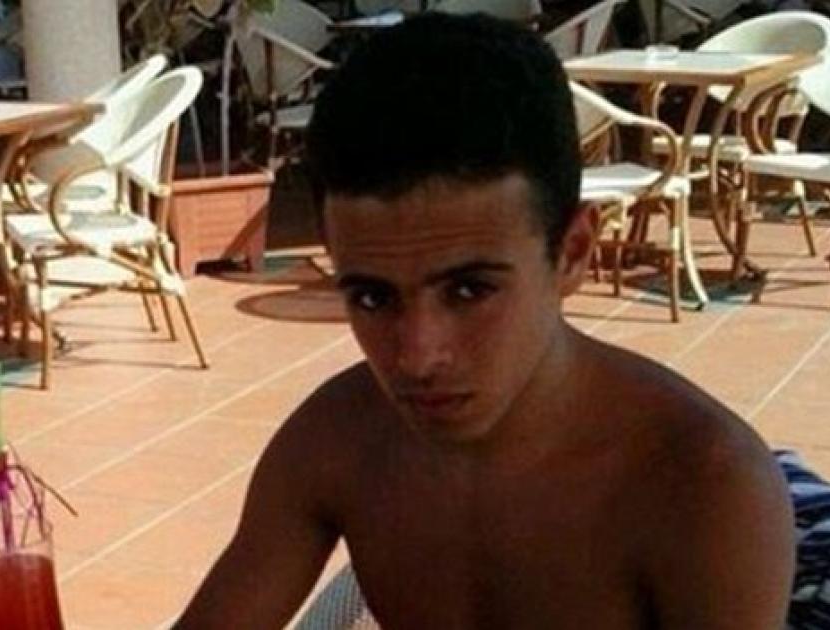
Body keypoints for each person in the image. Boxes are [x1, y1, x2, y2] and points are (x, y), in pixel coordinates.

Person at [175, 13, 794, 628]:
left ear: (573, 253)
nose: (417, 357)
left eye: (469, 290)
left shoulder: (700, 487)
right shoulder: (339, 441)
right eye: (372, 298)